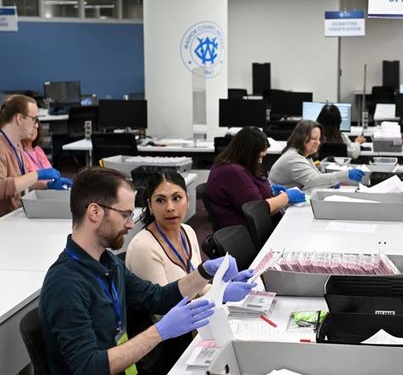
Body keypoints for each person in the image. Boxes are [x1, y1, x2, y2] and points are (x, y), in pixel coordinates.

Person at [39, 167, 254, 375]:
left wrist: (203, 273)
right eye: (125, 214)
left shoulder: (108, 262)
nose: (130, 225)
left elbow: (157, 297)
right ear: (94, 212)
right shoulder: (65, 284)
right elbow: (89, 367)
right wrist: (159, 332)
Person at [126, 170, 256, 374]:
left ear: (188, 199)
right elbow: (164, 314)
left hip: (197, 333)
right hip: (169, 348)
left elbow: (197, 286)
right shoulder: (144, 246)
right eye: (161, 200)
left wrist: (221, 285)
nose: (170, 207)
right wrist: (219, 295)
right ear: (150, 205)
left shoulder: (187, 231)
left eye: (177, 198)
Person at [207, 127, 305, 228]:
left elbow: (248, 194)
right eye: (259, 157)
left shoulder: (235, 166)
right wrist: (286, 197)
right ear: (247, 153)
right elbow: (258, 211)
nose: (260, 161)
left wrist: (270, 190)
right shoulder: (232, 172)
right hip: (246, 234)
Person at [0, 94, 71, 216]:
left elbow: (20, 183)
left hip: (14, 215)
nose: (37, 125)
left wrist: (46, 185)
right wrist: (37, 174)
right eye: (34, 119)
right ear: (19, 118)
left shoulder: (17, 145)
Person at [269, 120, 364, 190]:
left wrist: (330, 183)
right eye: (314, 138)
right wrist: (345, 174)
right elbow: (314, 179)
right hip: (281, 209)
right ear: (301, 138)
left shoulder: (304, 155)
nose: (318, 143)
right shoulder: (292, 158)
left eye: (319, 139)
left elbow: (317, 175)